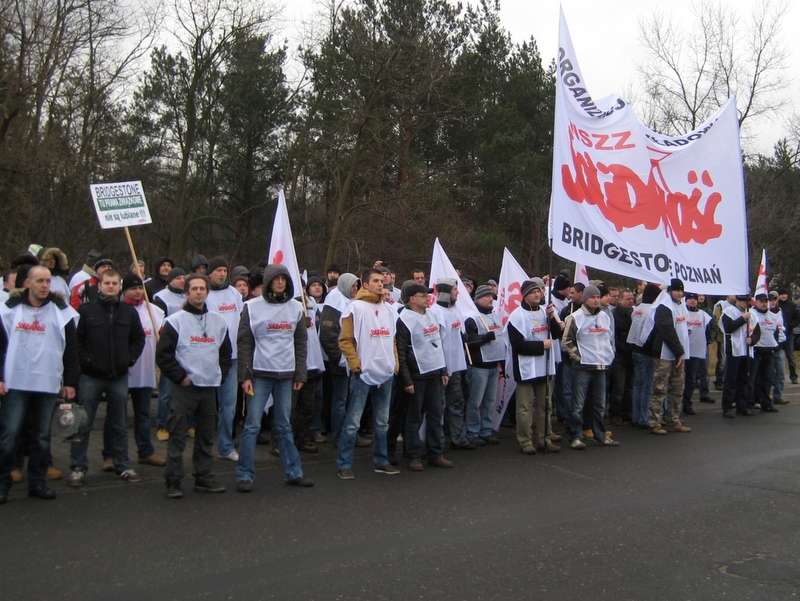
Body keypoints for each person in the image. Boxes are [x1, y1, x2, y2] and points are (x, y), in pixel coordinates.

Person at [0, 266, 80, 503]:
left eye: (48, 281)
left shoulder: (61, 311)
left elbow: (71, 349)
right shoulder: (9, 310)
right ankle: (3, 483)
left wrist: (71, 381)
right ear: (28, 283)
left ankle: (37, 483)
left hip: (47, 381)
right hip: (16, 382)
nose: (45, 285)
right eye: (40, 281)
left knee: (42, 437)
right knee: (9, 434)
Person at [236, 265, 312, 491]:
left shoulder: (296, 308)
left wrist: (301, 373)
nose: (280, 282)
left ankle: (294, 472)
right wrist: (244, 375)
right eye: (276, 279)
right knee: (252, 425)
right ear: (268, 281)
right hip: (259, 374)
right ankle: (244, 475)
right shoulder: (251, 307)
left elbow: (301, 343)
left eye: (284, 279)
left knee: (284, 425)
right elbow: (244, 343)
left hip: (287, 375)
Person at [157, 273, 232, 498]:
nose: (199, 292)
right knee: (178, 434)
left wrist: (221, 374)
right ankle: (173, 480)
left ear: (207, 292)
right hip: (185, 388)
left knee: (206, 435)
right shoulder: (175, 321)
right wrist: (181, 377)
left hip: (209, 388)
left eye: (202, 288)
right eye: (194, 289)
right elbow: (163, 356)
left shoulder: (219, 322)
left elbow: (225, 354)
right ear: (187, 293)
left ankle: (203, 476)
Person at [69, 269, 146, 487]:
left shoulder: (128, 313)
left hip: (119, 376)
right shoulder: (86, 311)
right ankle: (77, 467)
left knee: (120, 424)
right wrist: (87, 361)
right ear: (99, 285)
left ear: (120, 286)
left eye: (114, 283)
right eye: (107, 283)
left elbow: (138, 339)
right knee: (83, 424)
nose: (111, 286)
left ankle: (122, 464)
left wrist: (128, 359)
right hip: (91, 376)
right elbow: (77, 342)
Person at [336, 268, 401, 479]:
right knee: (353, 422)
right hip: (363, 374)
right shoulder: (354, 308)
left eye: (382, 281)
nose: (380, 284)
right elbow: (345, 341)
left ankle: (381, 460)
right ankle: (344, 463)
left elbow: (392, 339)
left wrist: (395, 363)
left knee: (382, 422)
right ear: (365, 284)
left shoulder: (390, 310)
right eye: (375, 281)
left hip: (386, 373)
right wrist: (356, 366)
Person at [111, 273, 166, 467]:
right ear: (124, 290)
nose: (137, 291)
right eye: (133, 288)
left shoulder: (154, 311)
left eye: (140, 288)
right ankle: (111, 455)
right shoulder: (117, 310)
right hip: (121, 372)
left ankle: (145, 451)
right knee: (117, 415)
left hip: (145, 371)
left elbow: (162, 337)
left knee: (142, 415)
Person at [396, 282, 449, 472]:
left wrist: (443, 370)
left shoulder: (431, 314)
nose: (427, 298)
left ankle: (435, 453)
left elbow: (438, 342)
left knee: (436, 415)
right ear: (412, 299)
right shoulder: (404, 319)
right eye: (422, 295)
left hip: (434, 372)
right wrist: (407, 380)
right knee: (414, 417)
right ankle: (413, 455)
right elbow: (401, 352)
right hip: (416, 375)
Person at [507, 278, 561, 454]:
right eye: (533, 292)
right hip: (526, 367)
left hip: (544, 366)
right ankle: (525, 441)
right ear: (525, 296)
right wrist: (540, 346)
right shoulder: (516, 316)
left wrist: (552, 318)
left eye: (539, 291)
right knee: (524, 407)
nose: (538, 294)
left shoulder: (546, 312)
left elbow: (557, 334)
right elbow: (518, 345)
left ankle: (545, 437)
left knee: (546, 405)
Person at [561, 285, 618, 449]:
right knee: (578, 405)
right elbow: (566, 341)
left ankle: (599, 435)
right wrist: (578, 358)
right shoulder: (575, 317)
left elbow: (609, 338)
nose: (596, 300)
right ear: (586, 298)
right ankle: (576, 437)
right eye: (593, 297)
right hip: (583, 368)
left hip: (601, 367)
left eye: (598, 297)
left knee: (600, 404)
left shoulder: (605, 317)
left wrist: (610, 355)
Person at [640, 279, 692, 435]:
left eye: (682, 291)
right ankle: (654, 422)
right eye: (677, 291)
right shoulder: (664, 307)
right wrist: (678, 351)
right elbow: (666, 330)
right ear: (670, 291)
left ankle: (674, 420)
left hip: (679, 354)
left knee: (677, 388)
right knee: (659, 389)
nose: (680, 294)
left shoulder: (681, 305)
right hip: (665, 353)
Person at [205, 257, 244, 462]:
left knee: (229, 404)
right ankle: (202, 446)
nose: (222, 274)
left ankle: (225, 446)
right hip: (209, 356)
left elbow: (242, 320)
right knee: (205, 404)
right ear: (210, 273)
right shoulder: (205, 294)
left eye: (224, 270)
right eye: (218, 270)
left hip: (233, 357)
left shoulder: (234, 294)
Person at [430, 278, 472, 450]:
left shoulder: (456, 310)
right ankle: (437, 443)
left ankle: (458, 437)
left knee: (457, 402)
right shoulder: (435, 312)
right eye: (455, 289)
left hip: (456, 367)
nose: (458, 292)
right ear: (447, 292)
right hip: (442, 368)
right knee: (438, 406)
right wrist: (441, 368)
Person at [318, 273, 360, 445]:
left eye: (357, 286)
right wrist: (340, 358)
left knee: (351, 400)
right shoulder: (334, 304)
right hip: (340, 361)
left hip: (353, 360)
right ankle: (339, 435)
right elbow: (328, 336)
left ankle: (350, 434)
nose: (355, 289)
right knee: (340, 399)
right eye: (353, 286)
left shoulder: (353, 303)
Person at [464, 284, 506, 445]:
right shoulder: (472, 318)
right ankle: (473, 431)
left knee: (489, 400)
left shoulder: (495, 315)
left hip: (493, 365)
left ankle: (486, 430)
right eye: (487, 296)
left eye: (491, 296)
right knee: (476, 401)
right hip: (479, 366)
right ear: (478, 299)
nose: (491, 299)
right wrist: (483, 339)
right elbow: (467, 342)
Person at [152, 267, 186, 441]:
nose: (182, 280)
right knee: (166, 391)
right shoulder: (161, 298)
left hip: (187, 348)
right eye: (178, 278)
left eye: (184, 277)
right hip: (170, 346)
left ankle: (188, 424)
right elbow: (158, 321)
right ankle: (162, 424)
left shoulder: (189, 294)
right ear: (170, 280)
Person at [720, 294, 756, 418]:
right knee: (731, 379)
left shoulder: (750, 312)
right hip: (734, 349)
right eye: (743, 301)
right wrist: (742, 319)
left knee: (743, 379)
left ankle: (742, 406)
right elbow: (728, 327)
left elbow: (756, 330)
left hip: (746, 350)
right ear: (737, 301)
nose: (746, 304)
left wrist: (753, 339)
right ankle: (727, 407)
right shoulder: (729, 311)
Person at [750, 292, 783, 413]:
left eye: (766, 302)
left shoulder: (773, 316)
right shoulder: (752, 314)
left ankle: (766, 403)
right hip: (756, 350)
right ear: (756, 302)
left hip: (769, 350)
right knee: (753, 378)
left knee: (767, 378)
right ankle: (751, 402)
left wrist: (776, 346)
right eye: (762, 302)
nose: (764, 304)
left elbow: (776, 332)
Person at [681, 293, 712, 416]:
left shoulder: (703, 315)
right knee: (677, 380)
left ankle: (687, 404)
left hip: (695, 351)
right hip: (682, 351)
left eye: (694, 299)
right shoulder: (681, 312)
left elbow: (709, 330)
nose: (693, 301)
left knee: (691, 379)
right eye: (690, 299)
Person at [609, 288, 635, 425]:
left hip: (632, 355)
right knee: (619, 386)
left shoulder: (635, 313)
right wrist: (625, 347)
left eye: (632, 299)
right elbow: (615, 336)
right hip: (620, 356)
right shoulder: (614, 315)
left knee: (629, 387)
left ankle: (627, 411)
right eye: (628, 299)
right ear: (620, 300)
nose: (631, 301)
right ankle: (615, 413)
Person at [776, 289, 800, 384]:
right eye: (781, 294)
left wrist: (789, 325)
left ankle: (793, 376)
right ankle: (776, 377)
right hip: (778, 335)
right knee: (777, 356)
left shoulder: (793, 306)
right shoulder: (776, 305)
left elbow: (798, 318)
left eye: (785, 294)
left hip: (789, 334)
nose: (783, 296)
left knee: (790, 356)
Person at [769, 291, 789, 405]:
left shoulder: (780, 312)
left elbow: (782, 329)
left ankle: (778, 396)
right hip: (768, 348)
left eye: (774, 299)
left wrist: (781, 344)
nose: (772, 301)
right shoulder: (764, 313)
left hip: (779, 347)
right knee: (767, 375)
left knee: (780, 374)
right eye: (770, 299)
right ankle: (764, 397)